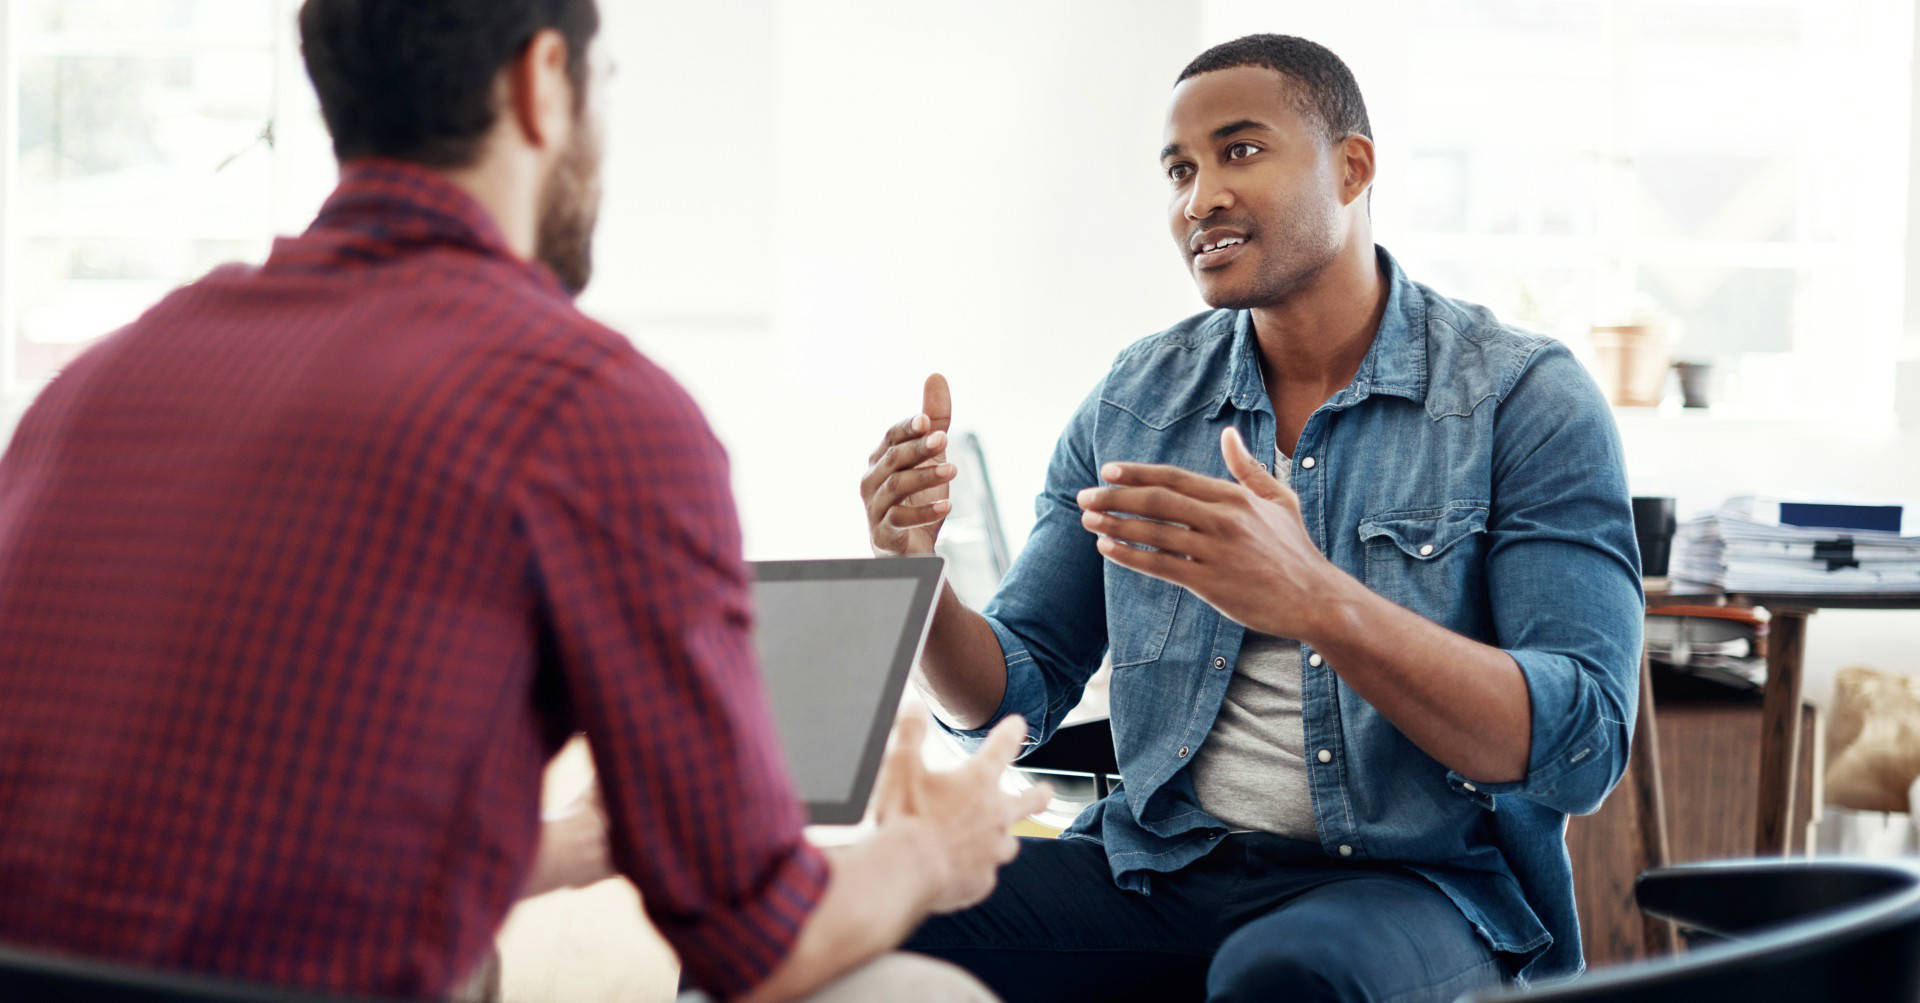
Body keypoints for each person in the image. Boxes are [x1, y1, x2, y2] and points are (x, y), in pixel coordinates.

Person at [0, 1, 1046, 1000]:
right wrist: (930, 849)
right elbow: (759, 945)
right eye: (603, 85)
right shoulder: (583, 404)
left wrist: (557, 850)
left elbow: (219, 849)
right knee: (914, 987)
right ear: (544, 82)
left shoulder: (96, 385)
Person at [860, 34, 1643, 1003]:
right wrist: (918, 581)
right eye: (1180, 170)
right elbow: (1016, 698)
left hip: (1411, 885)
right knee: (806, 916)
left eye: (1239, 151)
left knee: (1285, 979)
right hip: (1157, 865)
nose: (1200, 199)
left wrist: (1320, 601)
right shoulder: (1137, 398)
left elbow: (1583, 745)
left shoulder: (1520, 396)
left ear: (1352, 167)